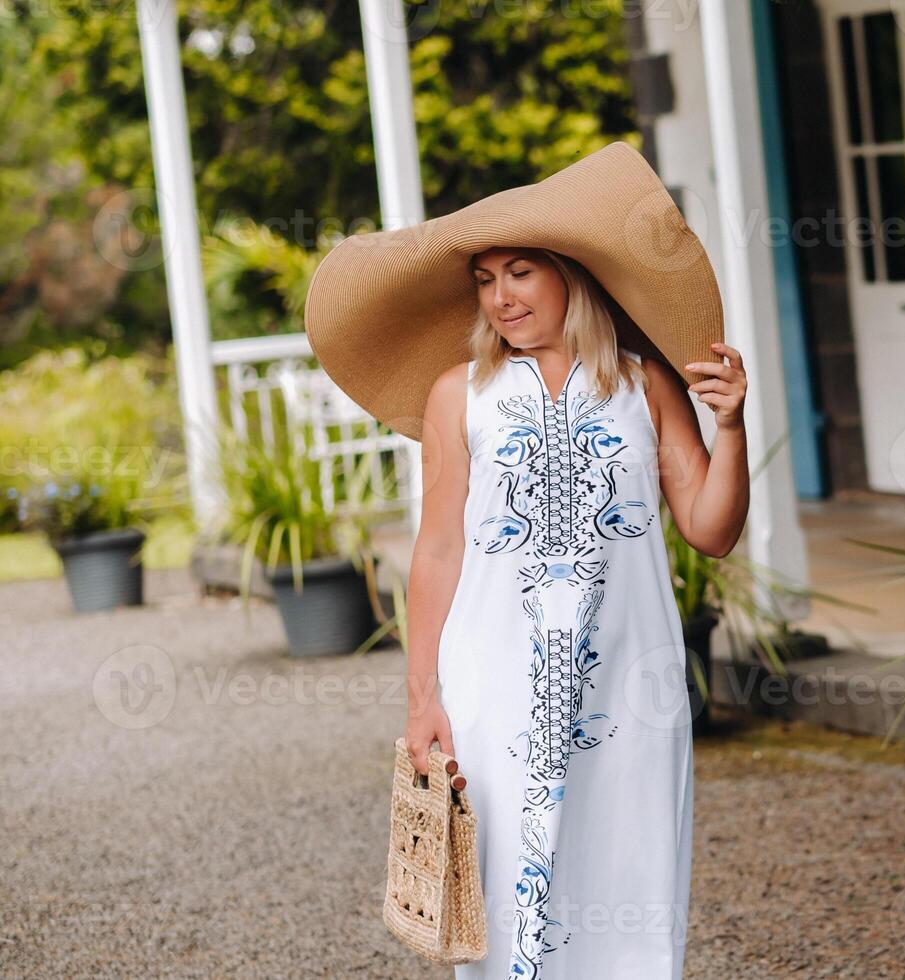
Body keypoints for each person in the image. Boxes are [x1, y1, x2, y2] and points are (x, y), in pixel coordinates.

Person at [303, 142, 745, 978]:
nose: (500, 297)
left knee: (633, 882)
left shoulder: (647, 385)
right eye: (484, 279)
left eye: (520, 273)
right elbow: (436, 551)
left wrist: (731, 427)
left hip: (630, 688)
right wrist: (423, 703)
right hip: (492, 686)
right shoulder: (456, 396)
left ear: (570, 274)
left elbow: (712, 530)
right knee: (506, 902)